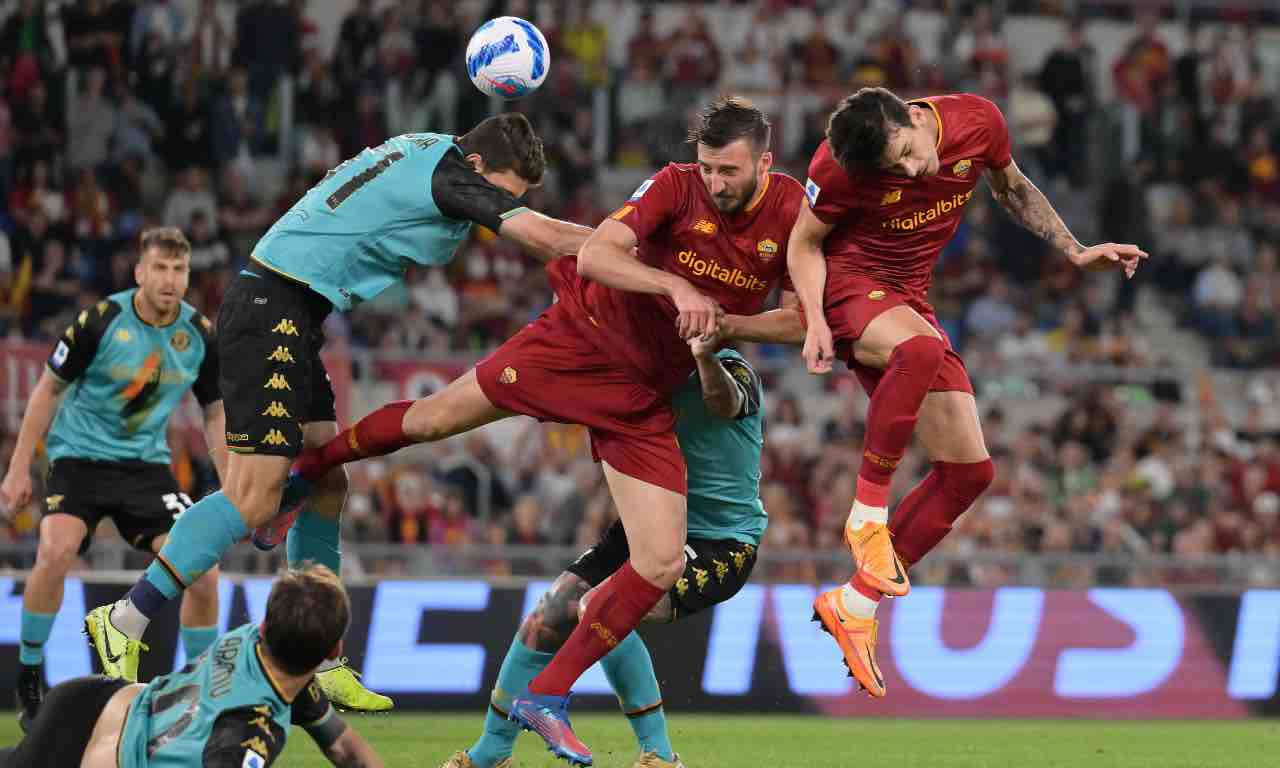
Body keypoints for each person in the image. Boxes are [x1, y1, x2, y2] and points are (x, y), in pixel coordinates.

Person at [264, 97, 804, 765]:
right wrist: (677, 289)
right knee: (435, 417)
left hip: (637, 400)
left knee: (654, 565)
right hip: (582, 339)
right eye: (708, 168)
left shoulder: (794, 218)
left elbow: (808, 318)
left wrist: (725, 326)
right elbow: (597, 255)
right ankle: (305, 473)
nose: (715, 183)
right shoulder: (674, 185)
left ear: (766, 164)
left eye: (729, 171)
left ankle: (552, 701)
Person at [83, 113, 593, 712]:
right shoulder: (452, 173)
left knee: (328, 481)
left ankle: (322, 661)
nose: (495, 209)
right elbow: (543, 236)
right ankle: (127, 616)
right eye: (501, 193)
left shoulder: (423, 148)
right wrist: (635, 244)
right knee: (252, 495)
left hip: (294, 308)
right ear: (478, 168)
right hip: (269, 306)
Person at [788, 87, 1146, 698]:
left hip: (910, 300)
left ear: (913, 115)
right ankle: (867, 516)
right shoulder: (838, 164)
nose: (906, 170)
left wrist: (1075, 250)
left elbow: (1012, 189)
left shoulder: (978, 121)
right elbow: (804, 243)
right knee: (920, 350)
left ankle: (855, 603)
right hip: (853, 287)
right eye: (890, 168)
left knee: (969, 474)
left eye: (904, 152)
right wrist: (817, 321)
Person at [437, 331, 784, 768]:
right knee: (552, 610)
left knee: (599, 606)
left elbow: (725, 401)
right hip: (650, 521)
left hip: (722, 541)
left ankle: (657, 756)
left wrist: (703, 355)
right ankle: (490, 754)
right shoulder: (641, 374)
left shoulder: (736, 370)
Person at [0, 228, 226, 732]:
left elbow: (215, 411)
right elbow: (47, 390)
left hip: (144, 468)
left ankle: (197, 692)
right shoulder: (101, 321)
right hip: (78, 458)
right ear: (140, 273)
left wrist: (232, 482)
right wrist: (18, 467)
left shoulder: (200, 335)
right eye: (160, 269)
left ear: (188, 275)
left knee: (204, 570)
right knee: (55, 551)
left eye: (179, 270)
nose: (170, 281)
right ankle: (32, 670)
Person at [0, 564, 384, 768]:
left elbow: (346, 749)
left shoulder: (258, 641)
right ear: (333, 652)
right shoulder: (251, 729)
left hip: (90, 701)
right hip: (84, 750)